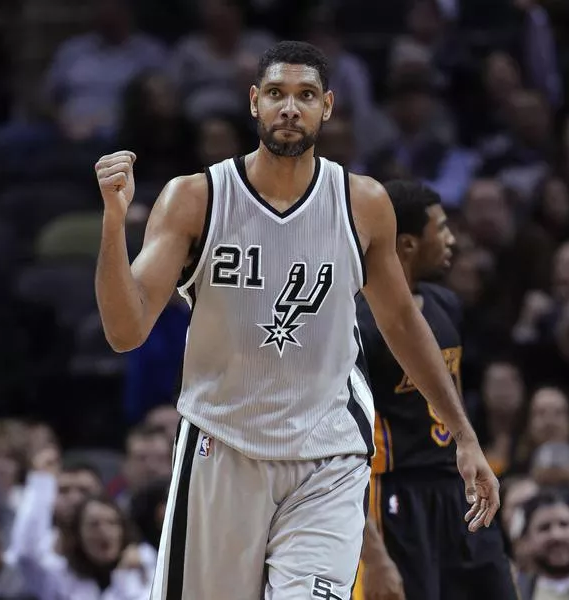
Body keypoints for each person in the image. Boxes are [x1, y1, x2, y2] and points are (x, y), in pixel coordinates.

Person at [94, 41, 499, 600]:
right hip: (223, 444)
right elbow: (125, 330)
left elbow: (404, 324)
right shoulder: (196, 198)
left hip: (328, 454)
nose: (291, 108)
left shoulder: (362, 203)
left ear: (327, 107)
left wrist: (464, 435)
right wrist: (114, 223)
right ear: (254, 102)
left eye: (306, 95)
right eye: (278, 94)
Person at [353, 181, 518, 600]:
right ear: (406, 245)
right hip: (394, 491)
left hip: (456, 483)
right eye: (440, 229)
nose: (451, 240)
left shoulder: (445, 303)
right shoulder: (357, 322)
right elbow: (341, 444)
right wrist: (373, 556)